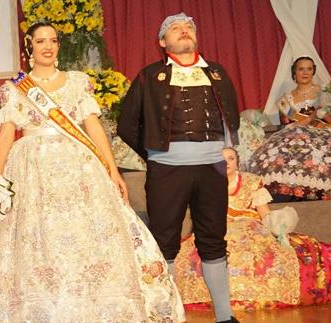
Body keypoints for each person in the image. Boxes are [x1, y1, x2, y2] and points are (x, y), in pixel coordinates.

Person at [0, 21, 185, 322]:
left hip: (78, 167)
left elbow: (93, 127)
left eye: (53, 40)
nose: (48, 46)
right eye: (41, 41)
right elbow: (6, 135)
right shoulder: (14, 88)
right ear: (29, 47)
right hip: (32, 170)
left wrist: (112, 170)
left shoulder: (76, 82)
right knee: (38, 236)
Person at [117, 13, 240, 323]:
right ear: (163, 42)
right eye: (175, 28)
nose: (184, 31)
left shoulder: (217, 72)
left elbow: (231, 115)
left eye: (189, 28)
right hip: (166, 172)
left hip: (212, 169)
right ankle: (167, 315)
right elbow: (126, 125)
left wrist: (224, 148)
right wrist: (155, 154)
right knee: (164, 241)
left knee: (213, 239)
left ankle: (224, 317)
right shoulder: (149, 76)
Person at [175, 147, 331, 308]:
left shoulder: (251, 182)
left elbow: (265, 214)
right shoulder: (206, 184)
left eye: (231, 158)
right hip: (216, 227)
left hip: (249, 228)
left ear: (238, 163)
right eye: (221, 159)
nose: (227, 163)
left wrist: (278, 229)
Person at [248, 56, 331, 201]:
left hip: (321, 131)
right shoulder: (286, 99)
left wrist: (313, 116)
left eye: (309, 69)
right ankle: (288, 188)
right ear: (294, 73)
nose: (305, 73)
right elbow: (289, 121)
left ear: (313, 71)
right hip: (296, 132)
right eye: (301, 69)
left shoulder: (323, 92)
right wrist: (303, 122)